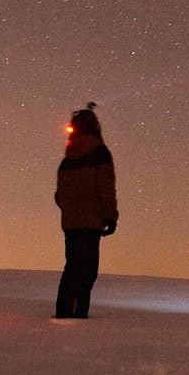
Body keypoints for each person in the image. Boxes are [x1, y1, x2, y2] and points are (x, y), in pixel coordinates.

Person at [54, 102, 118, 319]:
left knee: (72, 267)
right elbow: (106, 188)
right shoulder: (101, 154)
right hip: (91, 224)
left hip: (71, 225)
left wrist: (71, 210)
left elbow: (59, 195)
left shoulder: (67, 159)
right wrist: (110, 216)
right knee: (88, 271)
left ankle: (64, 312)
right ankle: (79, 314)